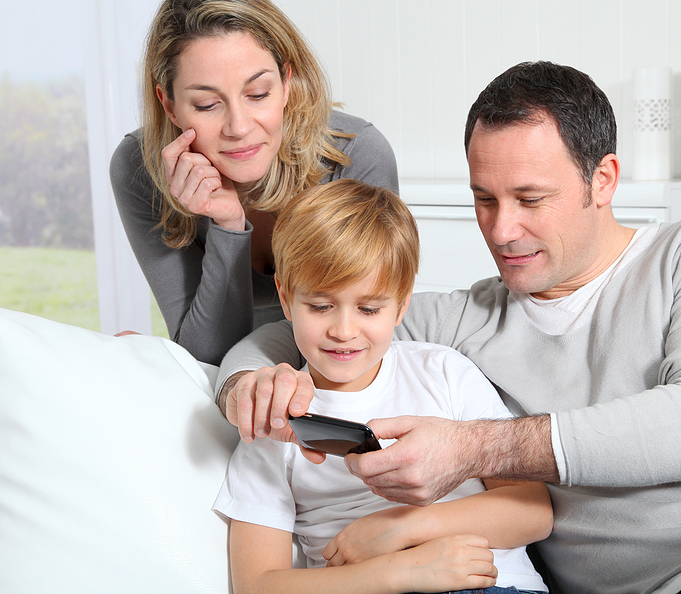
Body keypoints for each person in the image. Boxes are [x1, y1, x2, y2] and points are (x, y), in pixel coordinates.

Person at [216, 61, 681, 593]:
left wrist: (473, 446)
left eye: (530, 199)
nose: (501, 231)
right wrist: (250, 386)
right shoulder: (460, 320)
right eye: (485, 199)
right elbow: (295, 326)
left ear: (603, 180)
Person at [213, 179, 551, 594]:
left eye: (369, 308)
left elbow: (534, 511)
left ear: (402, 303)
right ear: (285, 297)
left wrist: (400, 528)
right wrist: (400, 572)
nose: (343, 330)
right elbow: (258, 585)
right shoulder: (274, 424)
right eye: (320, 306)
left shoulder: (444, 371)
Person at [109, 0, 398, 366]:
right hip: (229, 387)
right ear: (169, 105)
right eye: (207, 105)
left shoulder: (358, 155)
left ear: (286, 82)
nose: (239, 127)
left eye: (258, 94)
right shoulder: (138, 168)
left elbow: (358, 342)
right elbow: (204, 356)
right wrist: (227, 227)